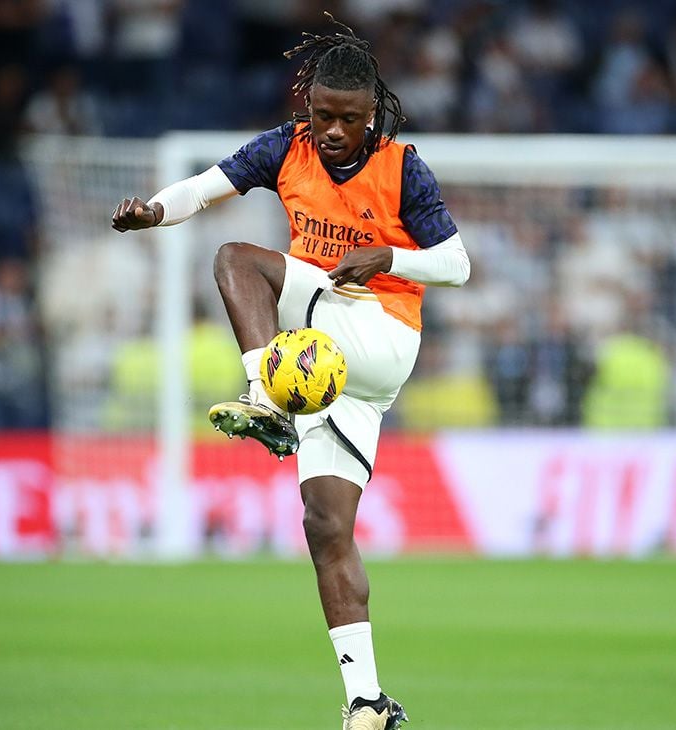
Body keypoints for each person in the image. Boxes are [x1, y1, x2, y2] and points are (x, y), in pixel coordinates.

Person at [111, 14, 469, 730]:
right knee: (325, 526)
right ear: (308, 108)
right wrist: (154, 210)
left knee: (237, 261)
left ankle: (262, 394)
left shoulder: (404, 167)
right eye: (323, 117)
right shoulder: (286, 148)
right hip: (335, 368)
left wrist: (388, 257)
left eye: (350, 120)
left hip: (380, 328)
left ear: (374, 116)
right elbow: (206, 187)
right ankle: (367, 700)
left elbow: (457, 265)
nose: (334, 132)